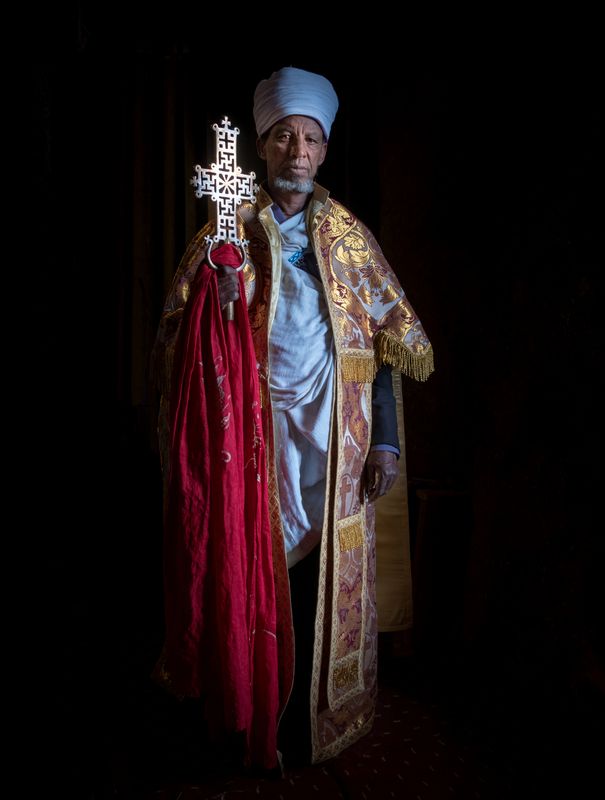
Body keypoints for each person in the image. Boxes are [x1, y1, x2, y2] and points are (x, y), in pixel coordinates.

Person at [150, 66, 434, 775]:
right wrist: (217, 298)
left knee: (320, 586)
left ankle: (314, 725)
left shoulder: (349, 239)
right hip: (250, 445)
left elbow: (388, 347)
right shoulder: (227, 233)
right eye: (284, 137)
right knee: (249, 573)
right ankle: (248, 713)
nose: (298, 152)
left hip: (336, 447)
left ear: (325, 149)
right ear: (262, 145)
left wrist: (386, 443)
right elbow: (178, 341)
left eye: (310, 139)